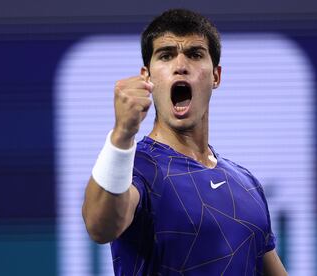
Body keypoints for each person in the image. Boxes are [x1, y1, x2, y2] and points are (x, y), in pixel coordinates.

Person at [82, 8, 288, 275]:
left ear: (216, 76)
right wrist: (122, 134)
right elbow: (100, 227)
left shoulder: (247, 184)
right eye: (166, 55)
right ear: (147, 77)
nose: (180, 65)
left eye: (194, 54)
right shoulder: (137, 168)